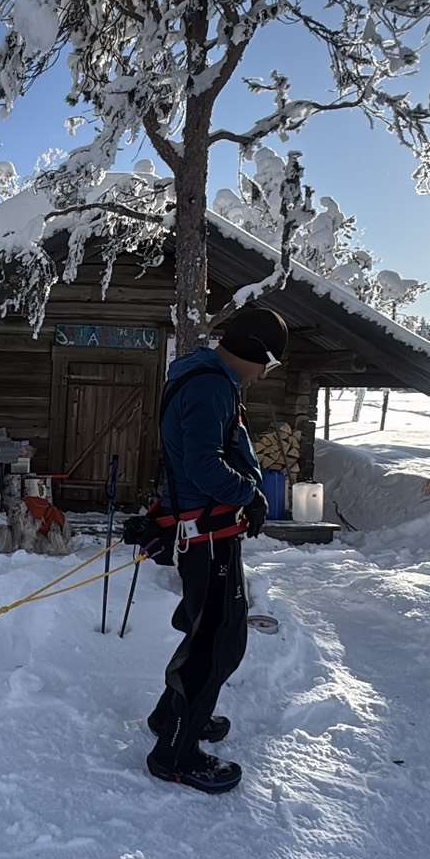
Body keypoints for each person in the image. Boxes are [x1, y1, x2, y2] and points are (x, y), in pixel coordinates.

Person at [145, 307, 288, 794]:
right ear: (253, 350)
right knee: (217, 644)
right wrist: (249, 494)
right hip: (207, 536)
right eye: (268, 362)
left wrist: (248, 495)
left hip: (209, 532)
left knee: (208, 632)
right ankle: (176, 754)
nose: (265, 373)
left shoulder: (208, 379)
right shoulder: (211, 387)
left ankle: (171, 717)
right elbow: (204, 466)